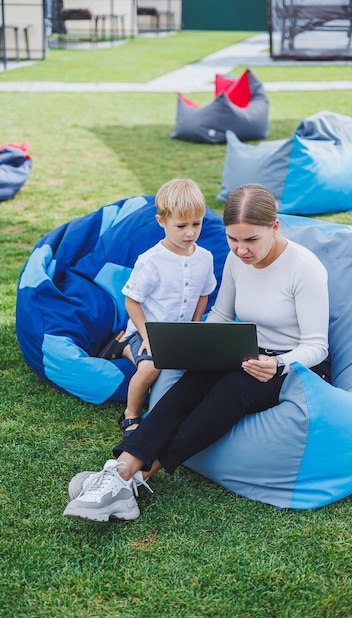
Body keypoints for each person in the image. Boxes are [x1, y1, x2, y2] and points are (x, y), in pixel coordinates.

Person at [64, 183, 330, 522]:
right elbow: (220, 316)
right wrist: (197, 346)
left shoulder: (304, 268)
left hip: (294, 364)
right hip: (246, 350)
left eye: (251, 240)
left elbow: (317, 345)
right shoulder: (237, 261)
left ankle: (136, 480)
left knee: (231, 391)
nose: (241, 250)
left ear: (274, 228)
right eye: (233, 240)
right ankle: (121, 468)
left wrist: (278, 364)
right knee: (192, 382)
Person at [99, 178, 217, 440]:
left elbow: (204, 293)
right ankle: (130, 414)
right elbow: (132, 301)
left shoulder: (205, 258)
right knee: (151, 368)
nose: (190, 233)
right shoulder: (152, 260)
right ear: (161, 221)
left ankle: (121, 347)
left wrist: (196, 325)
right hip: (149, 329)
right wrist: (149, 336)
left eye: (196, 224)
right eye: (181, 226)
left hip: (179, 332)